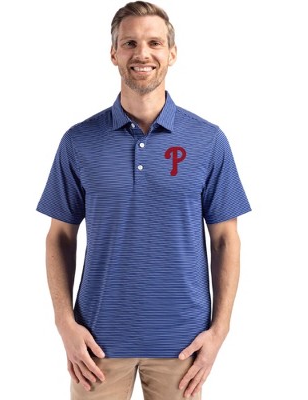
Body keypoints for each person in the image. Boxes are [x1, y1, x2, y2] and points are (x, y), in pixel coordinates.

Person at [37, 1, 251, 399]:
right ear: (113, 53)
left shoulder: (208, 140)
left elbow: (226, 239)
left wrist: (219, 331)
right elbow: (59, 237)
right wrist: (64, 324)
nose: (142, 53)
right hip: (95, 344)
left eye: (154, 43)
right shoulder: (79, 141)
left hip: (183, 345)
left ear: (172, 53)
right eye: (130, 43)